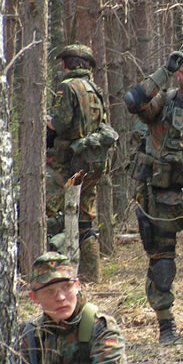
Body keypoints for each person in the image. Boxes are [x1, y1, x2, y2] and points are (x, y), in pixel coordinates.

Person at [124, 49, 183, 344]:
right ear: (179, 76)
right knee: (162, 264)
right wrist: (164, 70)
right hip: (162, 200)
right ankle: (166, 327)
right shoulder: (163, 103)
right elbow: (134, 102)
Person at [46, 44, 118, 284]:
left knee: (49, 211)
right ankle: (91, 276)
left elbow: (62, 123)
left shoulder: (66, 87)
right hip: (92, 160)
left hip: (68, 162)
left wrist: (47, 121)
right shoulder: (94, 89)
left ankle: (53, 275)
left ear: (66, 64)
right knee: (86, 218)